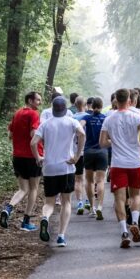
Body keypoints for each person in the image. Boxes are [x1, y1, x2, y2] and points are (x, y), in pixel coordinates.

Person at [30, 97, 86, 247]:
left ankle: (45, 218)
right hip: (66, 166)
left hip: (49, 167)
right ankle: (61, 236)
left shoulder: (45, 124)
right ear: (66, 108)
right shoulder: (71, 121)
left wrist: (38, 158)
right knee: (66, 201)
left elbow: (33, 142)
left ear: (52, 108)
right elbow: (82, 134)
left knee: (49, 202)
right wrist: (77, 155)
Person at [100, 88, 140, 248]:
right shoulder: (136, 116)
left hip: (118, 163)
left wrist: (113, 141)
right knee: (136, 195)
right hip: (135, 162)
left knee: (119, 199)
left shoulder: (109, 118)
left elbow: (102, 143)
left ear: (116, 100)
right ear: (129, 100)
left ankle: (124, 232)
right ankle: (134, 222)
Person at [1, 92, 43, 231]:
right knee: (34, 189)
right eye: (37, 100)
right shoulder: (33, 114)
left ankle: (8, 209)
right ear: (30, 100)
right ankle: (26, 221)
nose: (39, 103)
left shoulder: (17, 113)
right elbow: (33, 135)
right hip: (32, 157)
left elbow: (10, 135)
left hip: (17, 156)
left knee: (23, 189)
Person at [80, 97, 108, 220]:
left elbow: (79, 128)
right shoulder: (105, 118)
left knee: (89, 180)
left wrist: (83, 136)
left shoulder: (86, 117)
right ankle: (100, 206)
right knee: (101, 180)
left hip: (88, 151)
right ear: (101, 106)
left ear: (91, 106)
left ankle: (92, 208)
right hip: (102, 151)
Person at [72, 96, 90, 214]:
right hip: (88, 150)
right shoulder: (89, 117)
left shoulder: (71, 118)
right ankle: (89, 201)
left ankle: (79, 202)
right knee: (89, 178)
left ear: (74, 104)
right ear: (86, 105)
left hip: (75, 151)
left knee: (78, 179)